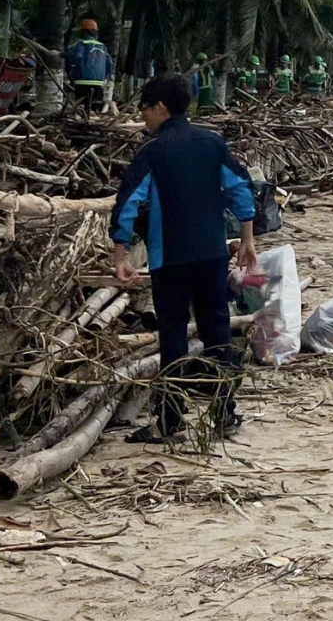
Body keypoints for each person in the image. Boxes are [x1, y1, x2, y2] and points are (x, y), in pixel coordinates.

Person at [110, 74, 257, 440]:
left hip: (170, 258)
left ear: (160, 107)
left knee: (173, 334)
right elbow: (241, 188)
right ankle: (224, 413)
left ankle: (170, 421)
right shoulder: (212, 143)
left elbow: (127, 203)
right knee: (217, 332)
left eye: (145, 107)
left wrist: (120, 254)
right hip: (210, 254)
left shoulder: (153, 151)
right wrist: (248, 240)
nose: (142, 115)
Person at [64, 16, 113, 112]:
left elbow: (77, 57)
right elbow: (110, 63)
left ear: (84, 32)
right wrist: (105, 77)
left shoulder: (81, 44)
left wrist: (72, 75)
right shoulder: (103, 46)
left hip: (82, 81)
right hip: (98, 82)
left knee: (80, 107)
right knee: (95, 107)